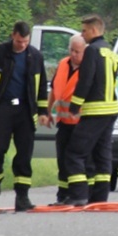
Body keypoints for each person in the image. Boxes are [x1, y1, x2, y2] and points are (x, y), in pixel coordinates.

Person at [0, 21, 50, 212]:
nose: (22, 45)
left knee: (25, 155)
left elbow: (42, 85)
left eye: (25, 41)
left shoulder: (35, 56)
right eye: (19, 41)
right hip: (1, 110)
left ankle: (22, 197)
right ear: (13, 36)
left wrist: (42, 112)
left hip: (25, 112)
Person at [60, 14, 118, 205]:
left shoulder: (92, 51)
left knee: (74, 153)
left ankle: (78, 196)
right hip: (111, 110)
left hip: (95, 111)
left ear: (94, 30)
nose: (82, 34)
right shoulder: (110, 52)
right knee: (102, 155)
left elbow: (85, 80)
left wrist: (75, 106)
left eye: (84, 30)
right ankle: (99, 198)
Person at [49, 34, 88, 203]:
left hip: (81, 123)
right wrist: (47, 111)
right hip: (63, 122)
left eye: (77, 51)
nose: (74, 54)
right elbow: (54, 90)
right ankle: (62, 194)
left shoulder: (88, 68)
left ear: (84, 51)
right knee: (62, 160)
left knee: (75, 160)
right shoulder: (62, 64)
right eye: (72, 50)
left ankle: (76, 194)